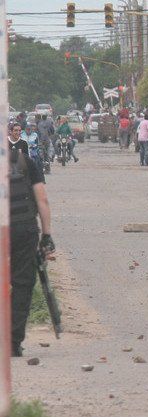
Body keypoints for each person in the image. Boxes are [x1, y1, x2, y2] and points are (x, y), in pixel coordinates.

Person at [9, 129, 55, 357]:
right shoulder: (25, 162)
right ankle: (12, 341)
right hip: (23, 230)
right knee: (22, 284)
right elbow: (42, 199)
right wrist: (47, 235)